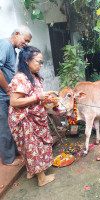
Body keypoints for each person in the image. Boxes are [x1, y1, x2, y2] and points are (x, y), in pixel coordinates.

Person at [8, 46, 55, 186]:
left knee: (32, 147)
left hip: (36, 116)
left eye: (42, 62)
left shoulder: (33, 76)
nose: (40, 65)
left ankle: (32, 171)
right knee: (33, 147)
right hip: (25, 119)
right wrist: (37, 97)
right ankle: (41, 178)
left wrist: (45, 99)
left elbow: (35, 96)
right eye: (38, 62)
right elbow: (14, 101)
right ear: (27, 60)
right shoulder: (20, 78)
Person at [0, 25, 32, 165]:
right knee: (5, 128)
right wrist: (7, 89)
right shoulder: (5, 45)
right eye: (25, 40)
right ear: (17, 33)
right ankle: (8, 160)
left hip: (8, 96)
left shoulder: (12, 50)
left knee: (12, 125)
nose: (26, 44)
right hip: (2, 96)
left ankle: (14, 154)